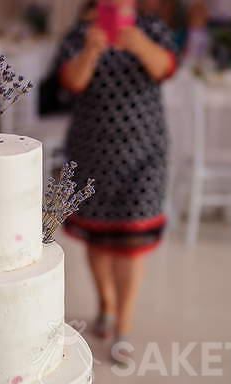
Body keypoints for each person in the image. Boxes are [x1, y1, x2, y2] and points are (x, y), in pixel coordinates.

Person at [59, 0, 177, 362]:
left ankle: (123, 326)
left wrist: (139, 43)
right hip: (92, 151)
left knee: (131, 239)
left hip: (144, 152)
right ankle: (106, 305)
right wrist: (92, 51)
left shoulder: (152, 30)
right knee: (98, 235)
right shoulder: (80, 35)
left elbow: (165, 68)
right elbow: (72, 82)